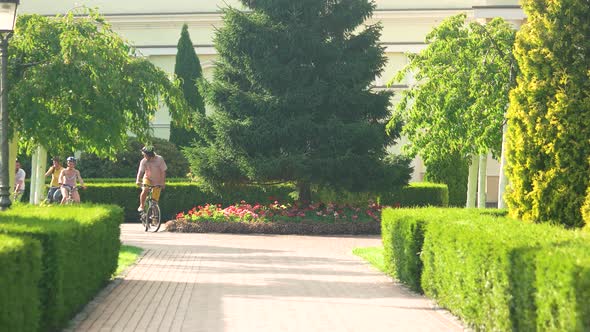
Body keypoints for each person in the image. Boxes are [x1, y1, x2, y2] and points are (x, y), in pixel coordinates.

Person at [136, 145, 167, 212]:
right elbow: (140, 171)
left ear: (150, 155)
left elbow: (163, 171)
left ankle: (154, 217)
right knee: (145, 189)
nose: (144, 156)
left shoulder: (159, 159)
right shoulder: (143, 161)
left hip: (158, 181)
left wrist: (162, 183)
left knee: (154, 200)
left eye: (145, 155)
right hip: (148, 179)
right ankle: (142, 205)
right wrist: (138, 180)